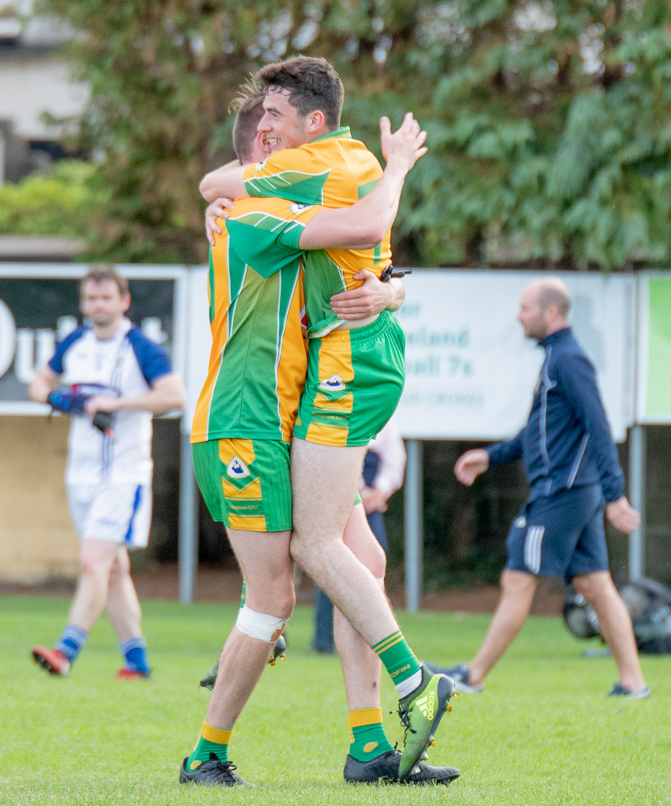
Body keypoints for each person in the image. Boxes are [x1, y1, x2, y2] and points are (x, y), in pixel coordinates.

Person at [182, 85, 456, 787]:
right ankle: (207, 753)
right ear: (262, 157)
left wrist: (391, 291)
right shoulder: (255, 213)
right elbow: (362, 225)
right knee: (274, 595)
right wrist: (394, 169)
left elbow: (365, 255)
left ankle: (367, 747)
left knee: (359, 567)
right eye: (267, 130)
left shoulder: (298, 201)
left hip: (285, 416)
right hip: (242, 424)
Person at [425, 277, 649, 698]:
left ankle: (472, 676)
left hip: (561, 494)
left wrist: (616, 494)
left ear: (550, 313)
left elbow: (599, 426)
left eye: (525, 308)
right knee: (595, 586)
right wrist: (492, 456)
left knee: (517, 579)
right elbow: (538, 432)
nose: (518, 315)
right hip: (574, 492)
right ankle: (633, 683)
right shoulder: (554, 360)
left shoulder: (569, 361)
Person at [28, 267, 186, 680]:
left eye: (105, 298)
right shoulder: (75, 344)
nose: (97, 306)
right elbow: (39, 384)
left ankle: (65, 651)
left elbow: (174, 396)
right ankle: (136, 662)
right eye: (91, 299)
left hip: (124, 473)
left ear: (123, 301)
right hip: (79, 473)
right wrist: (62, 399)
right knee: (112, 569)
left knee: (91, 563)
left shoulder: (141, 347)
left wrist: (115, 406)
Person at [312, 419, 406, 654]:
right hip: (340, 492)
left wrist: (380, 491)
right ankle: (324, 640)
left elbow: (395, 458)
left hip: (372, 501)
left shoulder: (384, 412)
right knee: (331, 562)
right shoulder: (336, 408)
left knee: (373, 564)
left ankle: (374, 639)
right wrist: (358, 492)